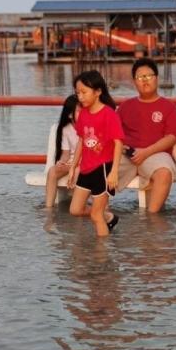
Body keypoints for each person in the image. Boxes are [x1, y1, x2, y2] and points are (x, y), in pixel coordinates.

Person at [117, 58, 176, 213]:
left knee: (164, 173)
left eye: (148, 76)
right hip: (127, 154)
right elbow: (115, 134)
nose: (144, 81)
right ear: (134, 82)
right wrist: (121, 147)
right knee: (99, 169)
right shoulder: (125, 106)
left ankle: (152, 221)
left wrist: (146, 152)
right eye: (140, 78)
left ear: (157, 78)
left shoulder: (169, 107)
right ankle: (101, 215)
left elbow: (171, 137)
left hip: (155, 154)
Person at [67, 70, 124, 237]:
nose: (80, 97)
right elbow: (81, 142)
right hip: (86, 169)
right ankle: (109, 217)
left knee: (95, 215)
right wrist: (73, 166)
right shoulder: (83, 113)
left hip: (103, 169)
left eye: (84, 92)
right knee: (75, 210)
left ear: (98, 92)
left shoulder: (109, 114)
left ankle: (102, 257)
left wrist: (114, 172)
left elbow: (118, 143)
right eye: (78, 93)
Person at [45, 94, 80, 208]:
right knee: (52, 171)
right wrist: (61, 162)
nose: (84, 114)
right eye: (80, 111)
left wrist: (75, 166)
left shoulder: (88, 127)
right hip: (71, 162)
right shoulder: (65, 129)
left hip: (84, 163)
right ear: (70, 114)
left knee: (77, 172)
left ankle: (76, 210)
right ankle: (48, 207)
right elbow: (66, 153)